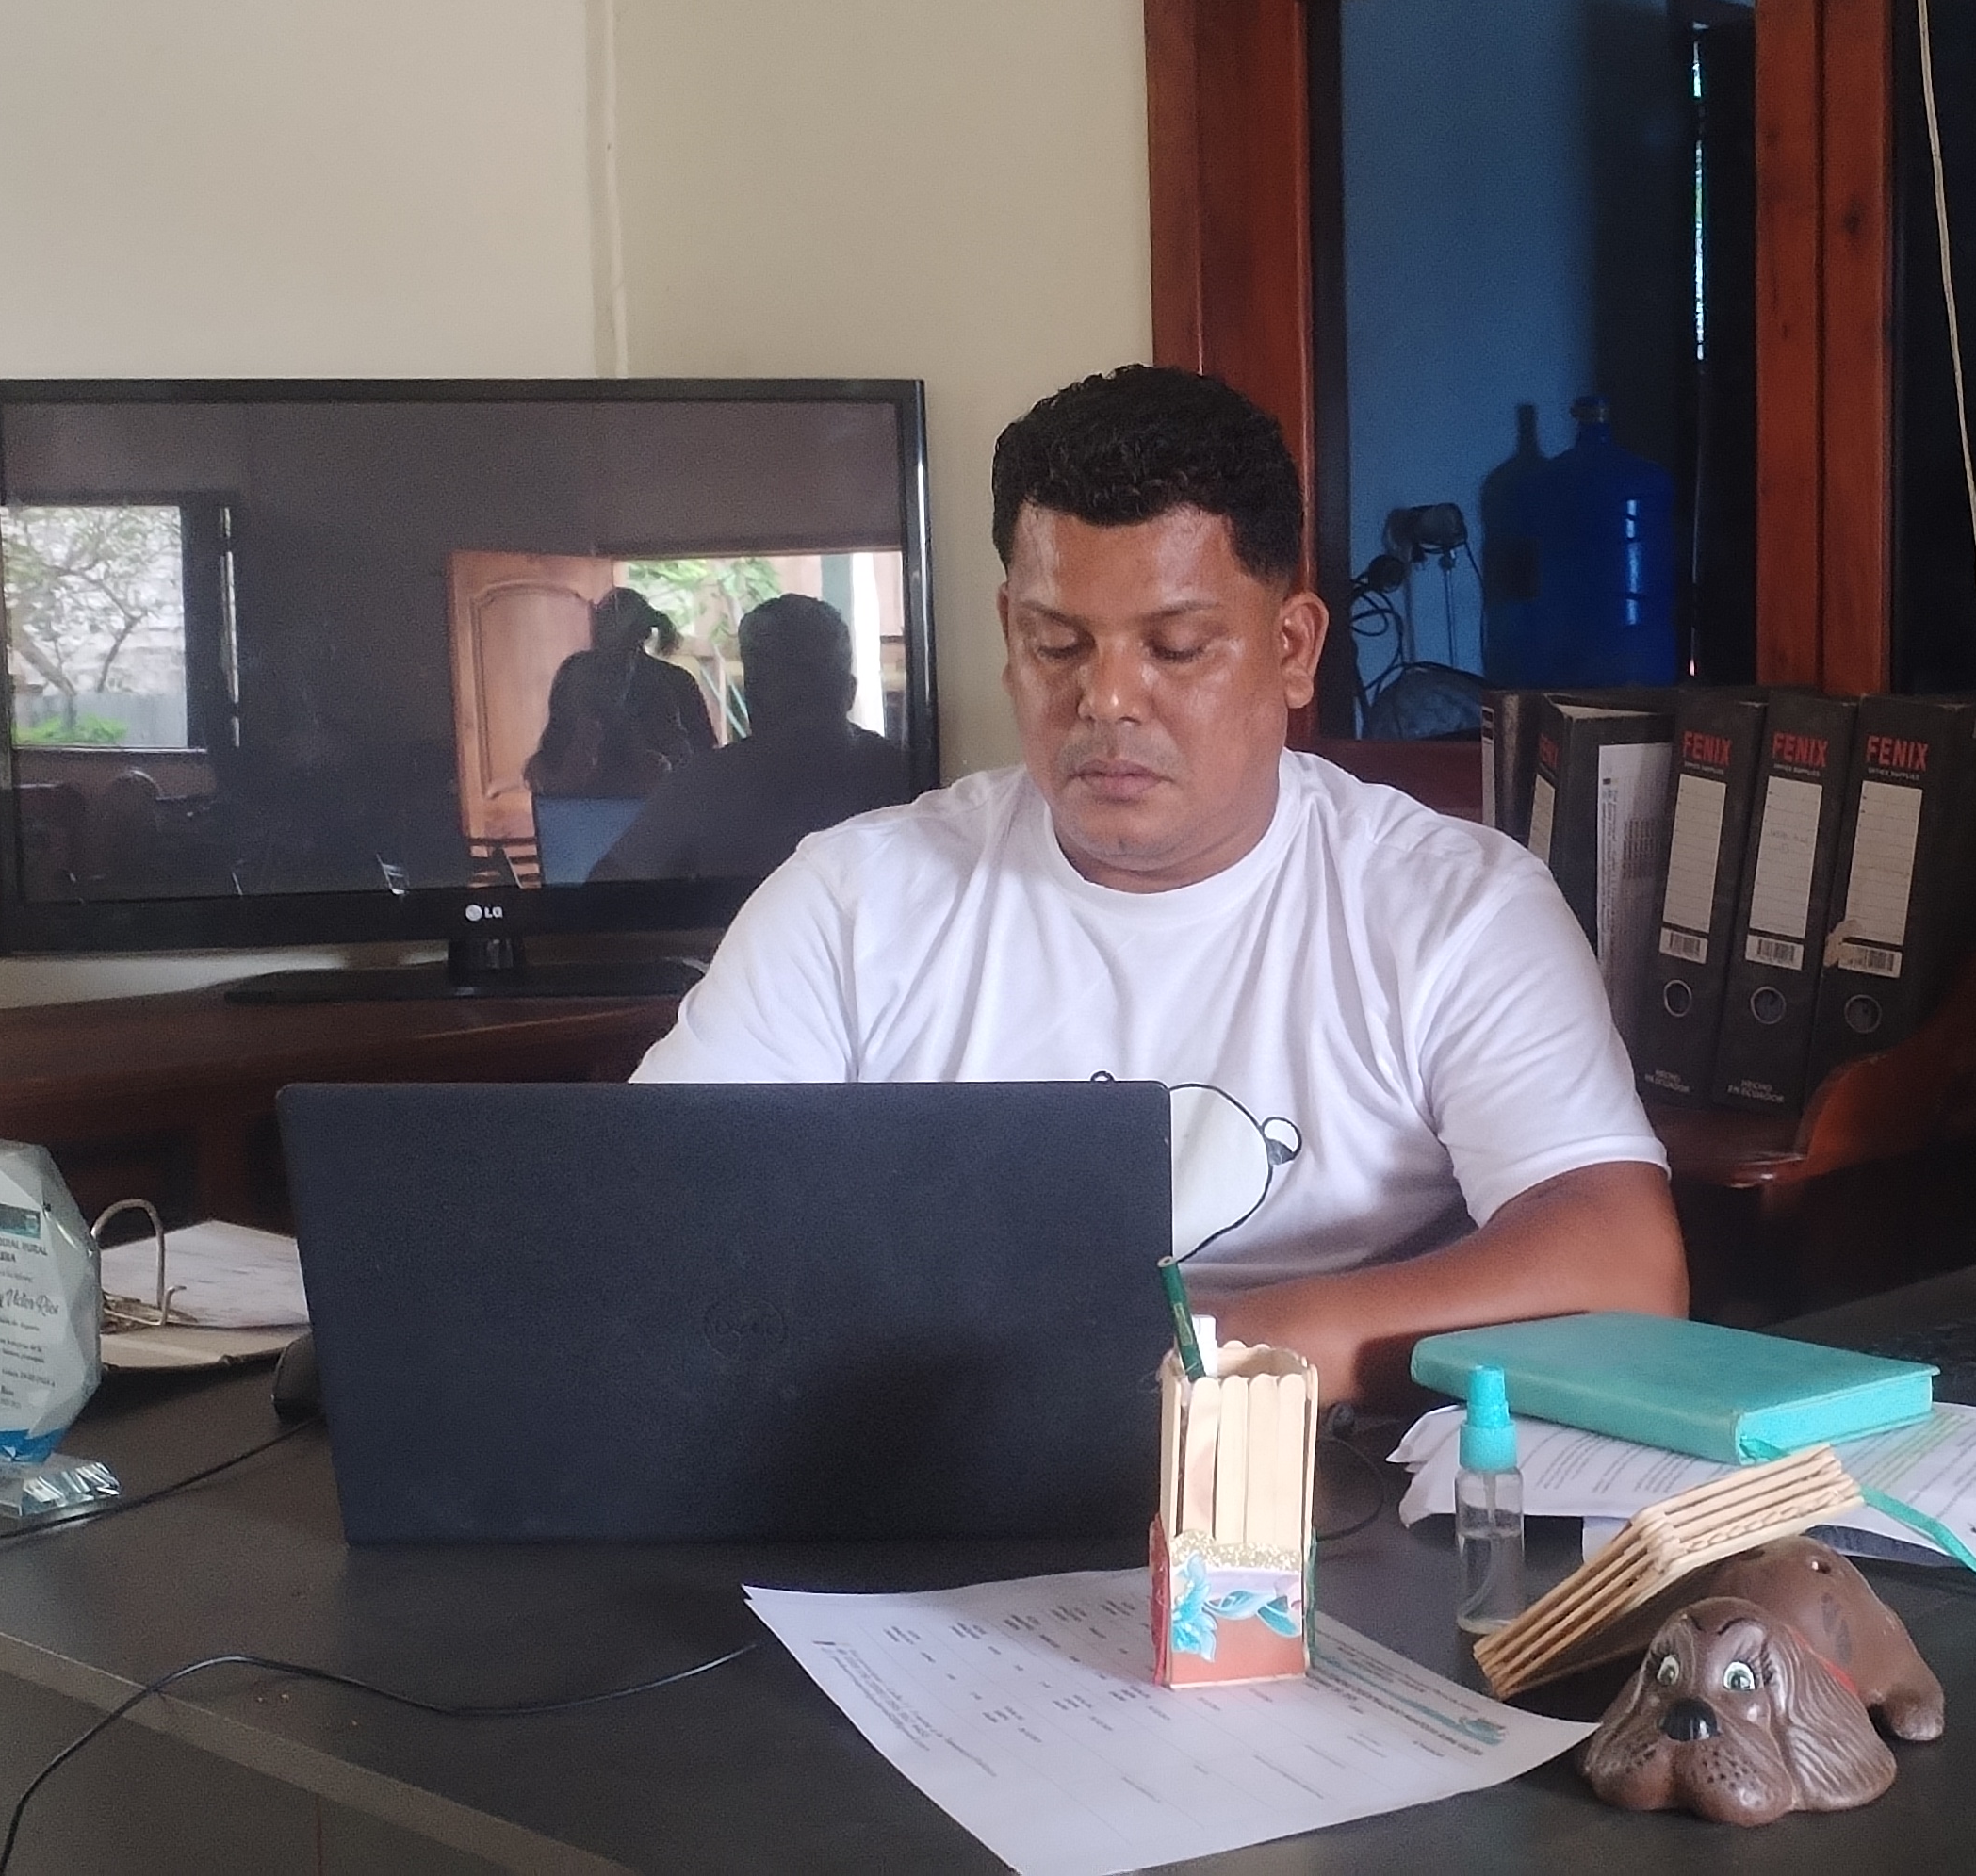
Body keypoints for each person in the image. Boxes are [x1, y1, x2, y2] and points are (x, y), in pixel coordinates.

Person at [635, 365, 1684, 1402]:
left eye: (1176, 648)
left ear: (1292, 648)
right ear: (1009, 636)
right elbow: (653, 1227)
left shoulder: (1455, 907)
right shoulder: (851, 900)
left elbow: (1624, 1268)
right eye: (1057, 644)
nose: (1106, 699)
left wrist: (1220, 1347)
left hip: (1322, 1456)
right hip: (934, 1440)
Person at [587, 592, 911, 881]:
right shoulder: (904, 774)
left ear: (752, 695)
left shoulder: (705, 786)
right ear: (849, 692)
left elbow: (603, 895)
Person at [524, 590, 717, 799]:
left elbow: (703, 759)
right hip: (582, 803)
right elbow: (551, 751)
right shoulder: (576, 672)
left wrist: (662, 765)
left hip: (658, 804)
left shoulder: (673, 682)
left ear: (642, 634)